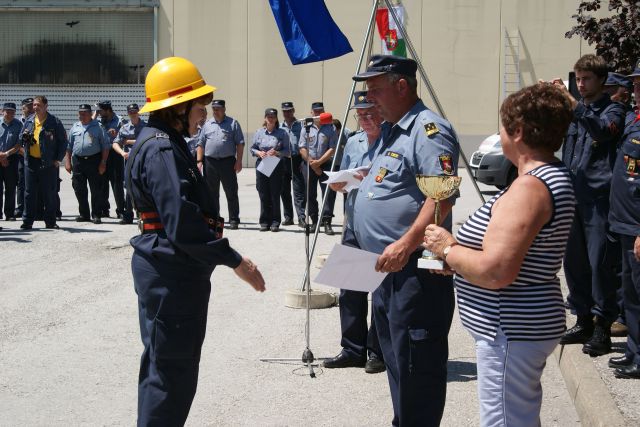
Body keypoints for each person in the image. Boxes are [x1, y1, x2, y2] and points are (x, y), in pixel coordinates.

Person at [424, 82, 575, 427]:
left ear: (518, 132)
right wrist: (461, 263)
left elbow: (496, 272)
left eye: (503, 127)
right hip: (518, 325)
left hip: (509, 327)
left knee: (505, 422)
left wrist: (447, 247)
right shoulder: (546, 177)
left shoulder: (530, 187)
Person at [125, 56, 265, 426]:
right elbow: (182, 222)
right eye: (199, 106)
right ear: (177, 107)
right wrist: (234, 260)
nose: (203, 114)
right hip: (171, 272)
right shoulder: (161, 148)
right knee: (170, 376)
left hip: (171, 269)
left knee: (165, 370)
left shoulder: (164, 141)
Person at [351, 55, 460, 426]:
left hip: (414, 272)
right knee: (397, 362)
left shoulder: (428, 130)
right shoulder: (392, 130)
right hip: (386, 270)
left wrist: (406, 243)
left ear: (402, 86)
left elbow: (443, 194)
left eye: (376, 89)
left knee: (417, 366)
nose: (370, 99)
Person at [556, 54, 626, 356]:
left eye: (586, 79)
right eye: (578, 79)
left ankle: (602, 327)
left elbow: (602, 131)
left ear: (601, 81)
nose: (581, 84)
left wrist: (574, 105)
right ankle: (582, 319)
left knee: (600, 266)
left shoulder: (614, 110)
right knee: (575, 263)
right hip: (574, 196)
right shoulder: (577, 112)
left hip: (599, 200)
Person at [324, 91, 385, 374]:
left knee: (380, 291)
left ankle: (377, 351)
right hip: (353, 222)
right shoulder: (353, 141)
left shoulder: (393, 139)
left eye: (371, 113)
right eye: (361, 115)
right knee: (350, 288)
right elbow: (346, 176)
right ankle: (352, 349)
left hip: (380, 226)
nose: (366, 119)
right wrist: (340, 184)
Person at [607, 59, 640, 379]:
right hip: (625, 222)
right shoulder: (634, 121)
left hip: (637, 227)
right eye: (636, 84)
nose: (637, 90)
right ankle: (633, 349)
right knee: (630, 292)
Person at [20, 95, 67, 230]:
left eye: (38, 105)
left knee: (49, 193)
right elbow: (20, 138)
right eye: (34, 105)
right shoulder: (29, 120)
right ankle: (27, 221)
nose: (35, 108)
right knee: (29, 193)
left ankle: (50, 221)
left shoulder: (54, 122)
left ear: (46, 106)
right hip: (31, 162)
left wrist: (58, 159)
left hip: (48, 163)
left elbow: (63, 142)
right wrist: (25, 138)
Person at [196, 99, 244, 229]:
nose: (215, 111)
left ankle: (234, 219)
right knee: (212, 194)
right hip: (210, 162)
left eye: (218, 109)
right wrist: (199, 161)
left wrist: (239, 161)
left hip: (227, 162)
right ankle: (214, 219)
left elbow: (240, 143)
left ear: (224, 109)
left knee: (231, 192)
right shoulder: (207, 124)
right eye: (214, 109)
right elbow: (200, 144)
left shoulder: (233, 123)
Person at [64, 104, 110, 224]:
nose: (81, 115)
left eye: (84, 113)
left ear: (90, 114)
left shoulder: (98, 127)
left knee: (96, 189)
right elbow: (69, 146)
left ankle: (96, 214)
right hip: (78, 161)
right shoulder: (75, 127)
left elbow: (105, 146)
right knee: (79, 189)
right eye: (80, 113)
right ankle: (84, 214)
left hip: (94, 160)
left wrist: (103, 162)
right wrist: (67, 162)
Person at [299, 101, 337, 235]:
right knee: (310, 194)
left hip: (325, 164)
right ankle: (315, 220)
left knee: (328, 193)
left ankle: (327, 222)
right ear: (311, 112)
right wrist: (312, 163)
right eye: (315, 111)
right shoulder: (306, 127)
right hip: (308, 165)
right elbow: (302, 148)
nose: (318, 114)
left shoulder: (330, 127)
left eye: (320, 111)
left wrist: (319, 162)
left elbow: (332, 148)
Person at [250, 108, 290, 232]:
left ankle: (275, 222)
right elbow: (252, 148)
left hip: (276, 166)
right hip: (262, 165)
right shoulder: (259, 132)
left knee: (274, 194)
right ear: (265, 118)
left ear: (276, 118)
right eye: (268, 116)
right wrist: (259, 153)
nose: (270, 118)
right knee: (263, 193)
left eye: (273, 116)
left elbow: (288, 152)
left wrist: (277, 152)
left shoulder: (282, 133)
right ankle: (264, 222)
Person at [113, 103, 146, 225]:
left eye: (135, 111)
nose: (133, 113)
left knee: (143, 187)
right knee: (129, 187)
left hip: (143, 161)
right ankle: (128, 215)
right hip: (130, 161)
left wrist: (129, 141)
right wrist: (122, 153)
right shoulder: (124, 128)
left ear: (138, 111)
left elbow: (147, 140)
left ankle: (144, 213)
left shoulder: (146, 127)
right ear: (128, 113)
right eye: (130, 111)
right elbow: (115, 143)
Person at [281, 101, 306, 227]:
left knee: (299, 191)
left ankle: (301, 217)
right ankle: (288, 217)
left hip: (297, 160)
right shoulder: (279, 126)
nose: (287, 113)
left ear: (293, 110)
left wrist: (303, 160)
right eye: (285, 111)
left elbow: (305, 143)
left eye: (289, 110)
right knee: (284, 191)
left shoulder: (300, 125)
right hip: (284, 160)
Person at [97, 100, 123, 218]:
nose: (99, 112)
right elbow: (90, 123)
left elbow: (125, 135)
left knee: (117, 183)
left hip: (114, 154)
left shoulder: (119, 120)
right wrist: (95, 114)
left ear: (108, 110)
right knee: (102, 183)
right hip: (101, 154)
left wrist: (116, 133)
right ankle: (104, 210)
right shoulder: (98, 120)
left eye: (100, 110)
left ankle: (121, 210)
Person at [0, 102, 23, 222]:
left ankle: (9, 214)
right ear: (2, 111)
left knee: (10, 187)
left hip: (11, 159)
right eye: (7, 111)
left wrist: (6, 155)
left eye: (12, 112)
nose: (9, 114)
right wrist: (0, 156)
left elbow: (19, 144)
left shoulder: (19, 124)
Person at [14, 97, 34, 219]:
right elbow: (16, 142)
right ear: (23, 108)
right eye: (29, 106)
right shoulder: (17, 122)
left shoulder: (36, 120)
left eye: (33, 106)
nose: (32, 109)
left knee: (34, 184)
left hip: (35, 157)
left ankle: (34, 208)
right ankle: (20, 208)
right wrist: (24, 152)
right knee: (21, 184)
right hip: (20, 157)